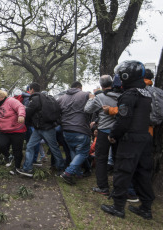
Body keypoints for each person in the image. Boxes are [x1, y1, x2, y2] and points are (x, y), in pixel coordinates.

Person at [101, 61, 155, 220]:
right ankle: (146, 208)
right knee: (142, 173)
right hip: (145, 137)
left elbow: (123, 119)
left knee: (123, 171)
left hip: (130, 138)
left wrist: (113, 134)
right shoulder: (146, 93)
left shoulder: (130, 94)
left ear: (126, 75)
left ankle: (118, 207)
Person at [17, 83, 65, 177]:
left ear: (31, 89)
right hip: (47, 127)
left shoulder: (35, 98)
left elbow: (28, 112)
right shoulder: (47, 97)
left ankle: (28, 169)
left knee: (31, 147)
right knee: (53, 148)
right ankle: (60, 168)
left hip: (41, 128)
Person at [84, 75, 121, 195]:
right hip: (119, 131)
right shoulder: (122, 96)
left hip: (104, 131)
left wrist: (91, 98)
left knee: (101, 159)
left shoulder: (100, 97)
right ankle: (119, 186)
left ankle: (103, 186)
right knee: (118, 160)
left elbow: (87, 109)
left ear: (101, 85)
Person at [57, 81, 91, 184]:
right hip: (80, 128)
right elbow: (92, 105)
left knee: (73, 151)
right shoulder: (85, 94)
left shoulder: (62, 98)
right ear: (79, 87)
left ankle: (78, 173)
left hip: (66, 130)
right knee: (82, 152)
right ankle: (68, 173)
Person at [0, 90, 26, 172]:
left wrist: (21, 115)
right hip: (4, 130)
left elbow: (20, 107)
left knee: (17, 149)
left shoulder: (11, 101)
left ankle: (17, 167)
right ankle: (9, 156)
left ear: (3, 97)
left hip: (17, 130)